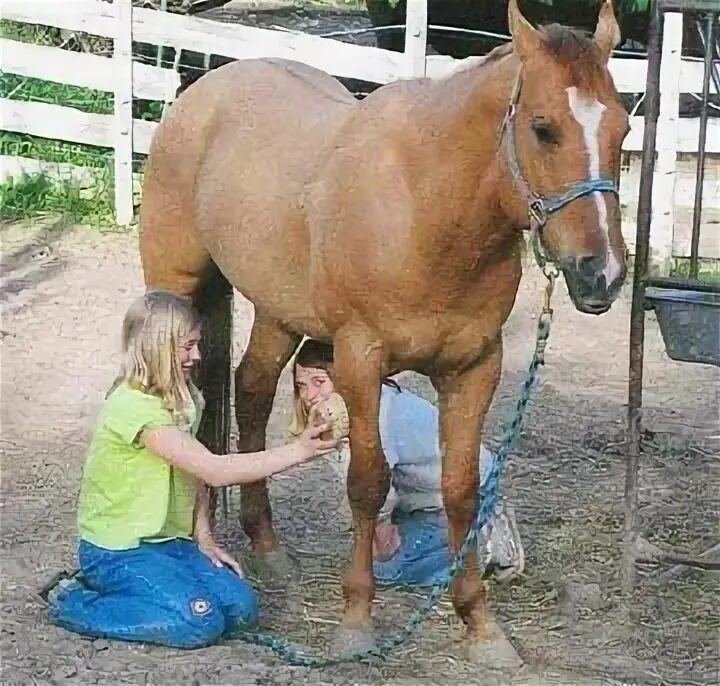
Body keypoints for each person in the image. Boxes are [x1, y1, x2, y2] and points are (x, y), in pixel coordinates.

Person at [41, 291, 343, 649]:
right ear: (158, 346)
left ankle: (141, 590)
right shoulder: (133, 408)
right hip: (119, 550)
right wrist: (300, 450)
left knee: (241, 609)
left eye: (196, 345)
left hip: (172, 544)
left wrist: (204, 539)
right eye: (187, 347)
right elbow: (213, 470)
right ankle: (72, 601)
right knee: (199, 623)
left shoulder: (185, 400)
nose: (196, 356)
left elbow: (194, 476)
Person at [289, 338, 525, 589]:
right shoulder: (352, 407)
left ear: (346, 376)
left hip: (466, 490)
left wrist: (382, 536)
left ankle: (489, 546)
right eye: (301, 386)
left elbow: (375, 487)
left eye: (319, 382)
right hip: (427, 496)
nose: (309, 396)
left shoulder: (376, 414)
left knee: (384, 572)